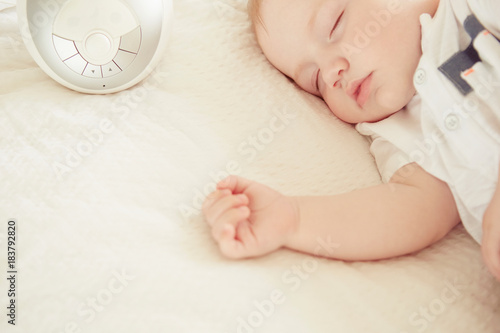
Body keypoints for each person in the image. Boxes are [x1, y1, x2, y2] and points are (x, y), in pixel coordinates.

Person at [202, 0, 500, 282]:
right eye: (315, 80)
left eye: (334, 25)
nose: (332, 74)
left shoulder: (471, 12)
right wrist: (294, 220)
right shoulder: (398, 130)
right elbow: (409, 212)